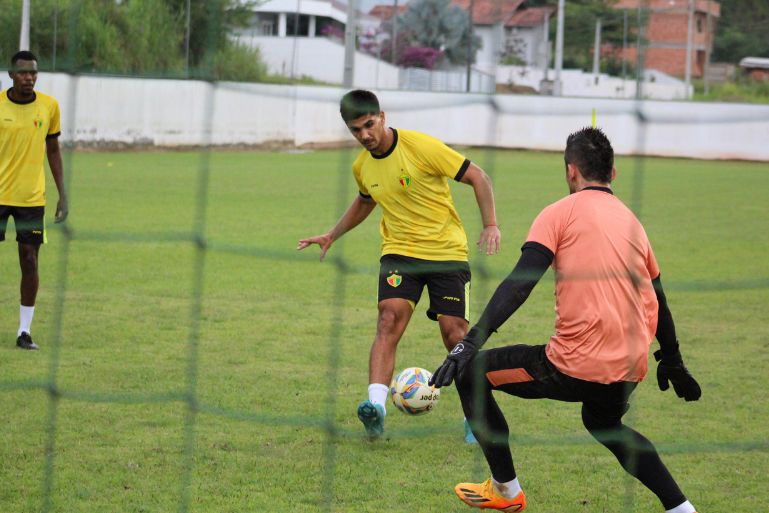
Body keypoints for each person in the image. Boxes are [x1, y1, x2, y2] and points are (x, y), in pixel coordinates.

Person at [430, 127, 702, 513]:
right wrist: (673, 359)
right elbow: (658, 298)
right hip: (630, 365)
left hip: (573, 365)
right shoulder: (632, 223)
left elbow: (520, 284)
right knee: (603, 423)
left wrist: (470, 341)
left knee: (471, 373)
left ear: (572, 172)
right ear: (614, 174)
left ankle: (506, 492)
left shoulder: (557, 212)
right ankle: (682, 509)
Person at [298, 90, 501, 439]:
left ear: (382, 116)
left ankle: (477, 414)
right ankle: (375, 407)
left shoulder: (421, 147)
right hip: (399, 253)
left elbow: (478, 177)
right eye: (355, 130)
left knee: (455, 334)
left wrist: (491, 224)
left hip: (445, 252)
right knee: (388, 319)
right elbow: (366, 201)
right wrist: (333, 234)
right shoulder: (361, 166)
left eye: (369, 125)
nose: (364, 135)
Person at [1, 50, 68, 350]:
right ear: (11, 74)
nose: (29, 77)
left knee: (29, 260)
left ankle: (24, 331)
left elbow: (53, 150)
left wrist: (62, 193)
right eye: (23, 72)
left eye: (33, 72)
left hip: (31, 198)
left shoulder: (49, 107)